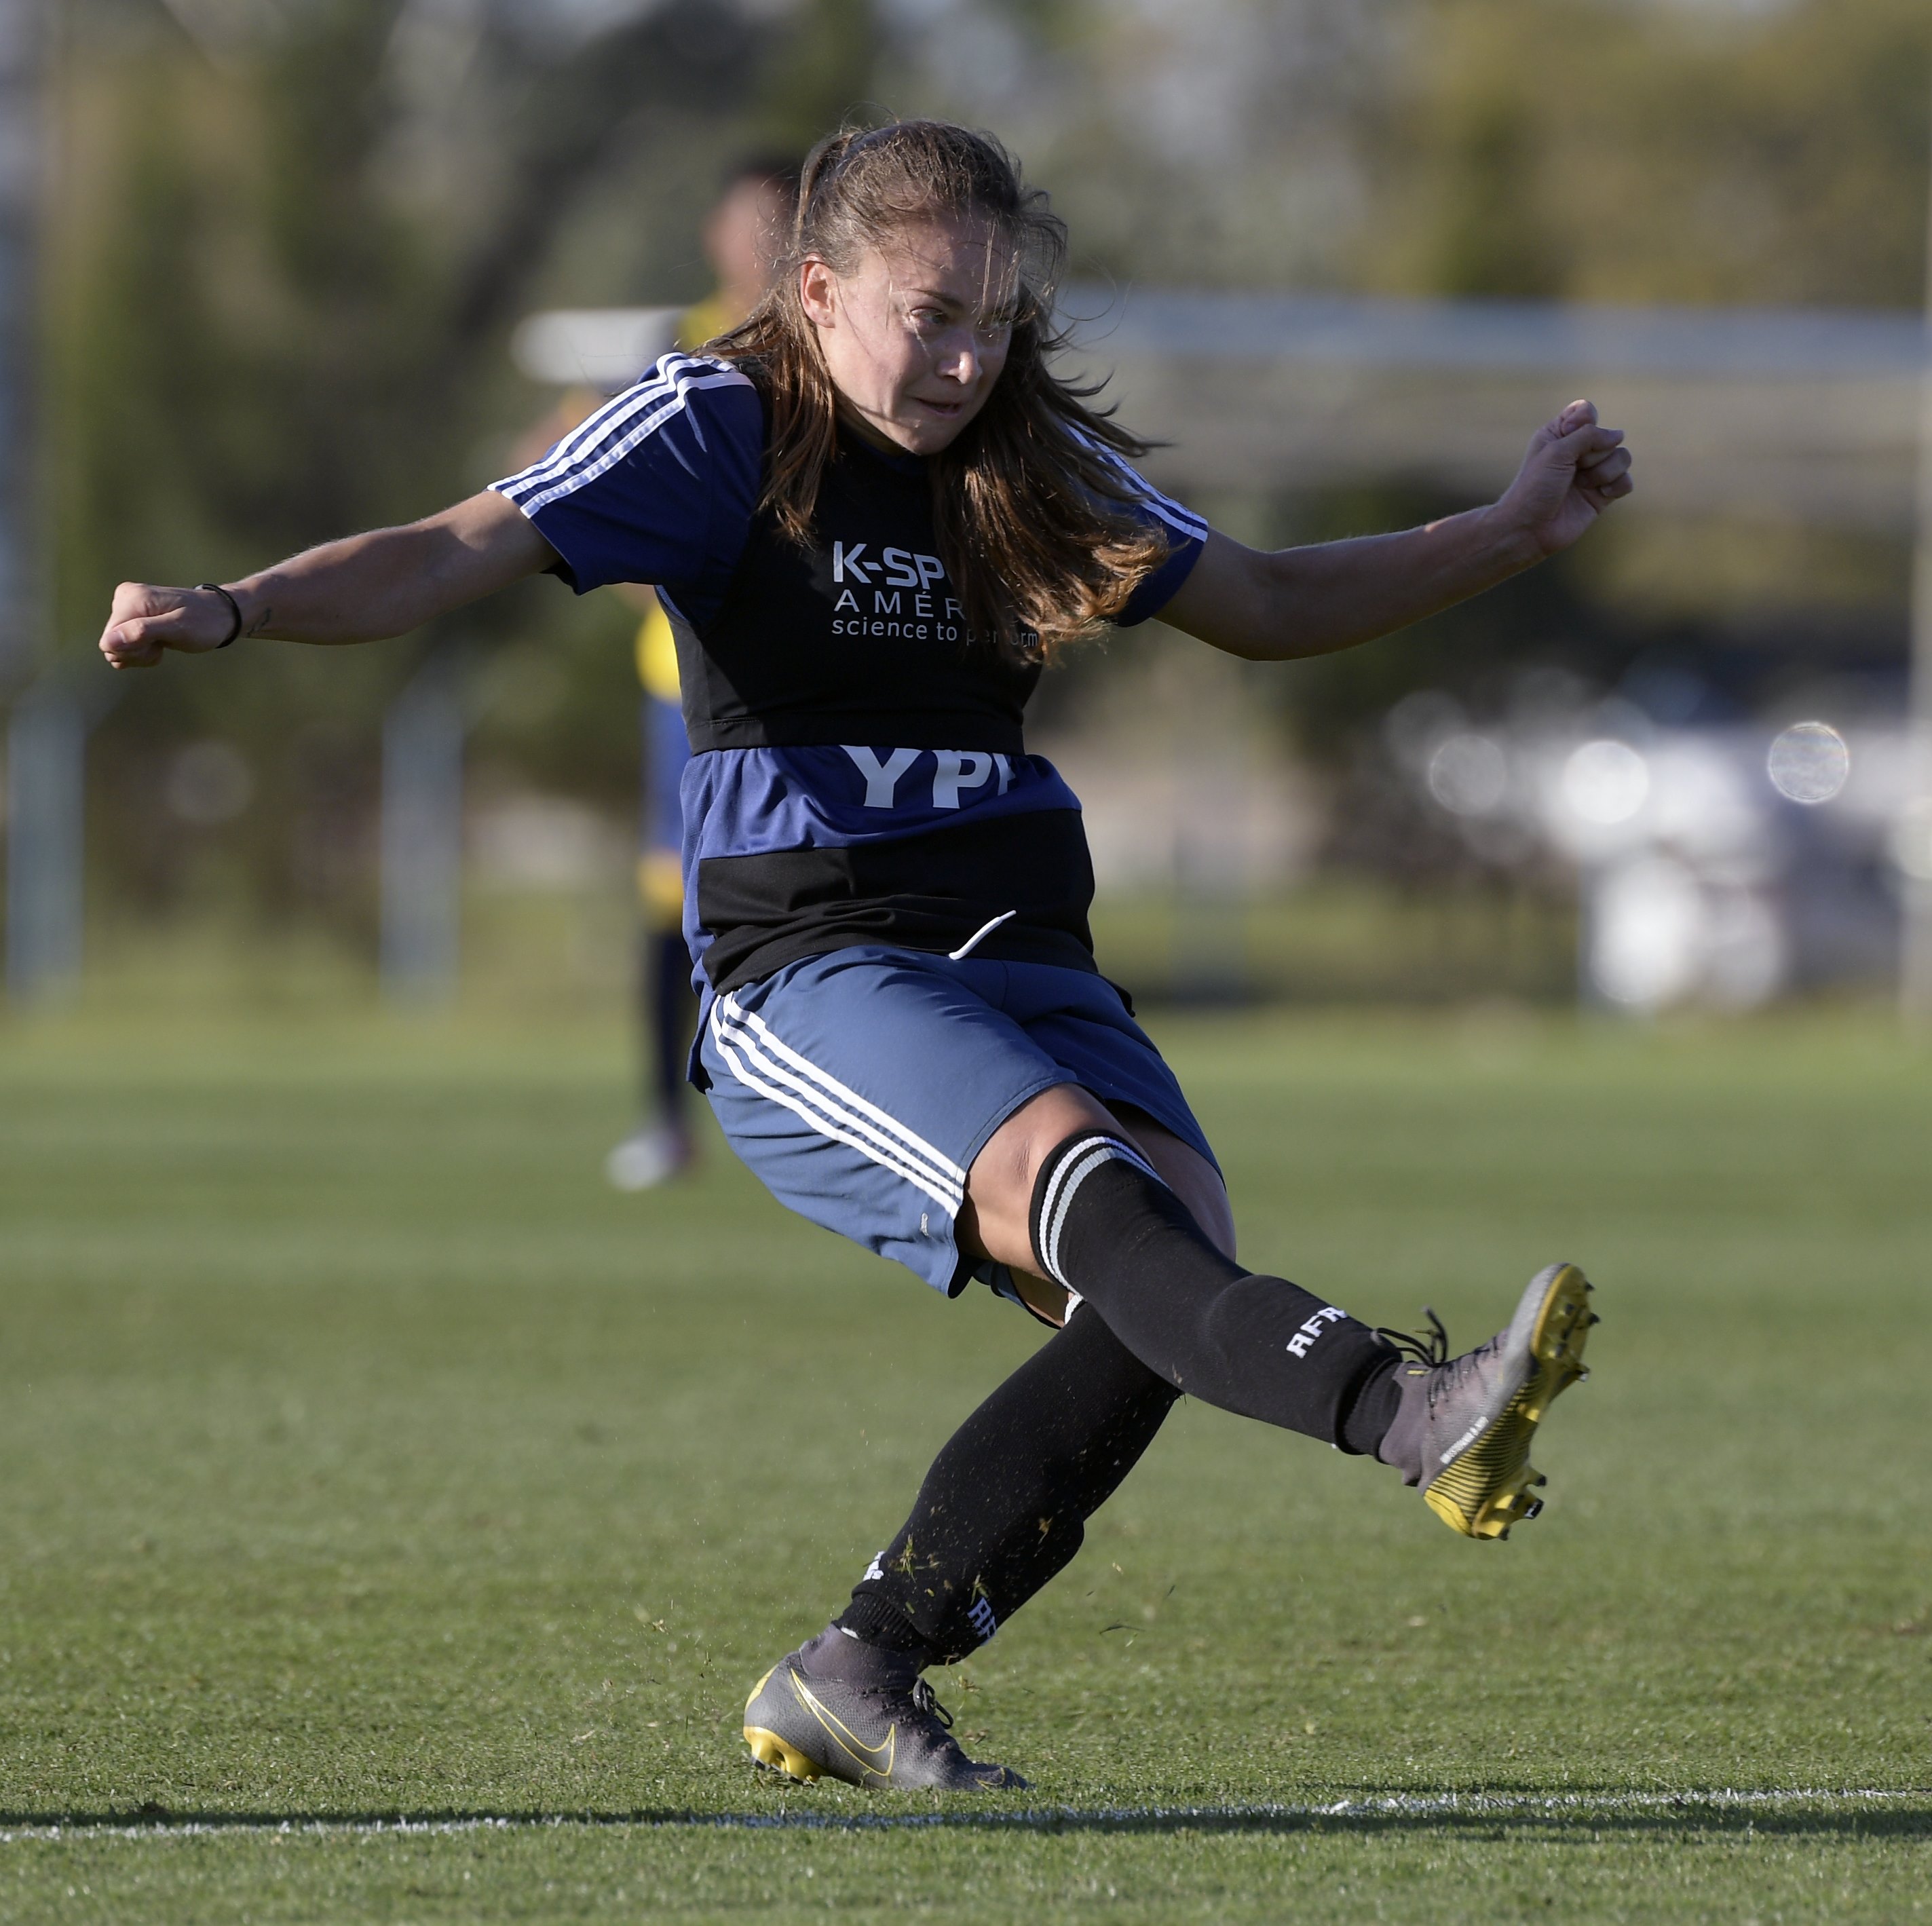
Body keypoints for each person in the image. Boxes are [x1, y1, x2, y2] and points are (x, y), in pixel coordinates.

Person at [100, 120, 1627, 1792]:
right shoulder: (716, 424)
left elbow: (1255, 598)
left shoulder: (1019, 451)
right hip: (813, 956)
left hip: (1020, 946)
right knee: (1094, 1195)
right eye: (930, 313)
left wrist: (1503, 530)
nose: (966, 357)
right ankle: (1412, 1413)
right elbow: (458, 544)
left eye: (992, 319)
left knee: (1170, 1264)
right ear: (816, 291)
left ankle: (860, 1664)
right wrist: (235, 602)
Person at [606, 155, 802, 1192]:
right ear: (714, 236)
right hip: (680, 685)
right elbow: (597, 488)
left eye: (783, 226)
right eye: (746, 225)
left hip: (802, 683)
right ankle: (660, 1116)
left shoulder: (832, 352)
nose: (759, 247)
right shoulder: (675, 349)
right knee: (670, 894)